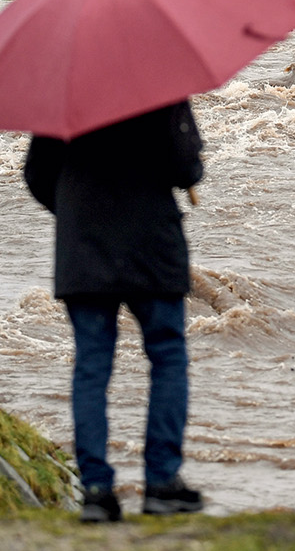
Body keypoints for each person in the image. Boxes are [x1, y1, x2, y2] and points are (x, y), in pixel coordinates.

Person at [23, 100, 206, 522]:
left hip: (84, 249)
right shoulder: (162, 87)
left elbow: (36, 175)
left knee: (91, 367)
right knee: (168, 358)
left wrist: (75, 212)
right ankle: (162, 483)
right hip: (152, 245)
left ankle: (96, 491)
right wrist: (192, 165)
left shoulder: (62, 93)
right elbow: (185, 168)